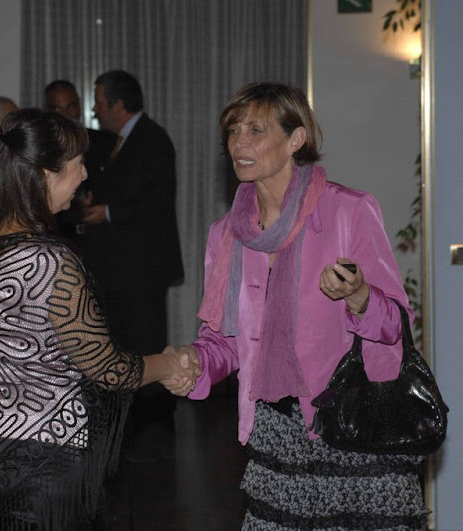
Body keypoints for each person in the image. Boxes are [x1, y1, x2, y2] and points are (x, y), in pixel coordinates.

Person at [175, 82, 428, 529]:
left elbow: (395, 325)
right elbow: (226, 342)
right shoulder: (226, 234)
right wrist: (192, 363)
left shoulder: (349, 211)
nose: (239, 143)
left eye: (256, 130)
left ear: (296, 140)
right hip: (274, 433)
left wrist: (359, 296)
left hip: (353, 423)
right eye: (233, 131)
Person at [0, 108, 197, 530]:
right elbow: (109, 370)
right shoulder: (50, 262)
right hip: (45, 461)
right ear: (43, 175)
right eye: (78, 164)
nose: (84, 175)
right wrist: (170, 363)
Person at [81, 70, 184, 462]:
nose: (95, 109)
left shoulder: (152, 139)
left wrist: (107, 212)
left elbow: (158, 200)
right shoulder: (120, 141)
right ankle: (131, 420)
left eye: (99, 102)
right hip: (122, 268)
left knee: (145, 341)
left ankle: (152, 422)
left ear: (118, 104)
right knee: (126, 341)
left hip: (143, 268)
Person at [43, 80, 117, 241]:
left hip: (105, 239)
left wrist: (105, 208)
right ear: (47, 111)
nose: (65, 115)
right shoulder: (39, 150)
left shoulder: (106, 143)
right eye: (57, 109)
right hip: (58, 239)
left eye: (70, 107)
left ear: (79, 105)